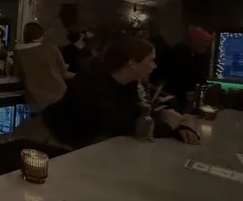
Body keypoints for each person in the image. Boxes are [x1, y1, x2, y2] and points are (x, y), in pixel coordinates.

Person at [28, 35, 200, 149]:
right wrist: (169, 126)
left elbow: (139, 115)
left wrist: (176, 128)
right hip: (47, 138)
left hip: (75, 144)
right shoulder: (91, 81)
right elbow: (119, 122)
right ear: (132, 63)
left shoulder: (130, 85)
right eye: (150, 60)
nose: (154, 66)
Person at [13, 22, 74, 114]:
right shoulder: (52, 49)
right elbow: (64, 73)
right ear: (41, 35)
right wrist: (82, 76)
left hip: (36, 101)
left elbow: (17, 74)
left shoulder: (18, 53)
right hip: (58, 97)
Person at [151, 27, 212, 112]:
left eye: (208, 42)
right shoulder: (175, 55)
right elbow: (174, 81)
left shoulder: (198, 55)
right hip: (173, 101)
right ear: (193, 40)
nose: (207, 45)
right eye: (204, 41)